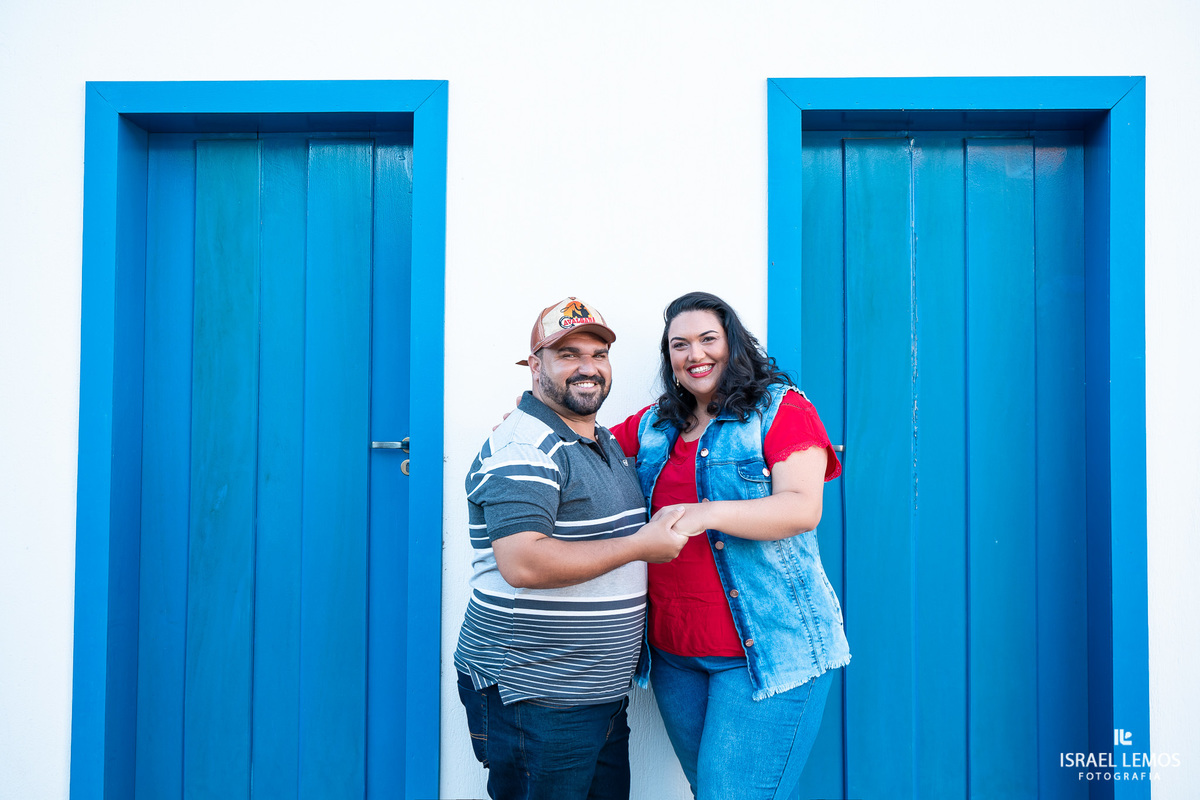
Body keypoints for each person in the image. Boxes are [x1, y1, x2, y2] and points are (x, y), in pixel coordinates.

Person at [608, 291, 851, 800]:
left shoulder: (781, 409)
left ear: (732, 343)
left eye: (707, 339)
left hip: (765, 650)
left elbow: (801, 508)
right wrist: (534, 427)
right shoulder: (654, 425)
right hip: (676, 656)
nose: (694, 354)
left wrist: (707, 513)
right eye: (680, 345)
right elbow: (587, 449)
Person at [455, 296, 694, 800]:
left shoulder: (599, 439)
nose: (588, 367)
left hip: (594, 695)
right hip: (536, 694)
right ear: (534, 365)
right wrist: (640, 545)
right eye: (568, 354)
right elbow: (523, 562)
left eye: (598, 354)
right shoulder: (524, 446)